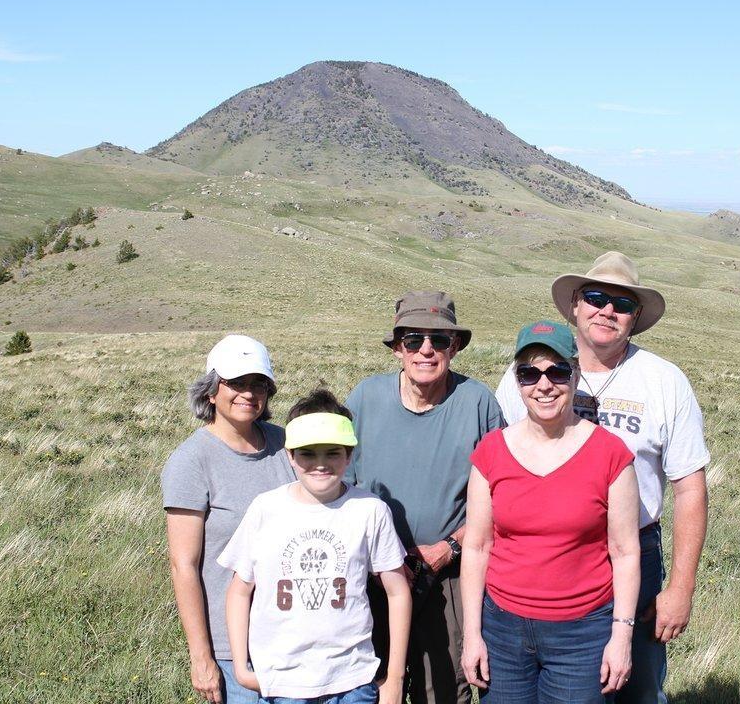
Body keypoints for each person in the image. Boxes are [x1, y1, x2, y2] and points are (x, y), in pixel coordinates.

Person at [495, 253, 710, 704]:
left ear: (635, 319)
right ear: (575, 304)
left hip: (636, 551)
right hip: (552, 556)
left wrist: (681, 588)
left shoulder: (664, 381)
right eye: (595, 297)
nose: (606, 310)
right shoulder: (528, 377)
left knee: (639, 688)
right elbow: (501, 467)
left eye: (622, 303)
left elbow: (689, 487)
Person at [461, 320, 641, 703]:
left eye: (556, 371)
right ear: (517, 380)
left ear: (575, 375)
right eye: (529, 373)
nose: (544, 385)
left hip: (582, 635)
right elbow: (477, 547)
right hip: (502, 631)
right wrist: (473, 634)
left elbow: (625, 552)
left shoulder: (611, 454)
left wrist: (621, 636)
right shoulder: (491, 452)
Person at [345, 290, 505, 704]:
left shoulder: (478, 402)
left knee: (444, 687)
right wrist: (387, 552)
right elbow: (340, 486)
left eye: (440, 340)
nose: (426, 350)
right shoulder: (365, 398)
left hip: (451, 572)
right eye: (414, 340)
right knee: (372, 681)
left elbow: (504, 496)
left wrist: (448, 547)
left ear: (455, 347)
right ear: (398, 347)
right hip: (375, 572)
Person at [220, 390, 413, 704]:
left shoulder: (370, 510)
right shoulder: (265, 509)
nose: (320, 465)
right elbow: (240, 590)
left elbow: (397, 591)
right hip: (284, 684)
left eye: (332, 453)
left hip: (352, 680)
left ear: (349, 455)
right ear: (290, 456)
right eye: (308, 453)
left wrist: (394, 678)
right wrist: (241, 668)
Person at [162, 334, 295, 704]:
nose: (248, 394)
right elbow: (183, 565)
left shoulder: (287, 445)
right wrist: (201, 657)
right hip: (233, 650)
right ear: (211, 391)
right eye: (236, 383)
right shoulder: (192, 461)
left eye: (258, 384)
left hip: (294, 636)